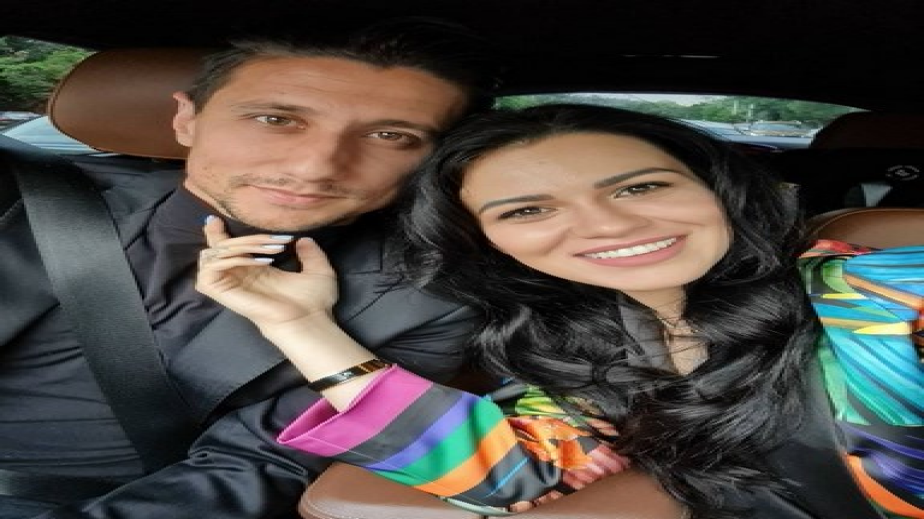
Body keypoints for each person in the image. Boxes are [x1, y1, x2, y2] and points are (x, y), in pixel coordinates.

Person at [196, 103, 924, 519]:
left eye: (640, 187)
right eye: (527, 209)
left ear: (718, 190)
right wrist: (298, 324)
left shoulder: (886, 293)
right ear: (489, 243)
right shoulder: (588, 344)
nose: (606, 225)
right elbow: (508, 473)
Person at [0, 18, 500, 519]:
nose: (315, 167)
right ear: (187, 119)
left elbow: (259, 463)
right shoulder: (21, 200)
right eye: (275, 119)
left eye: (390, 135)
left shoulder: (423, 299)